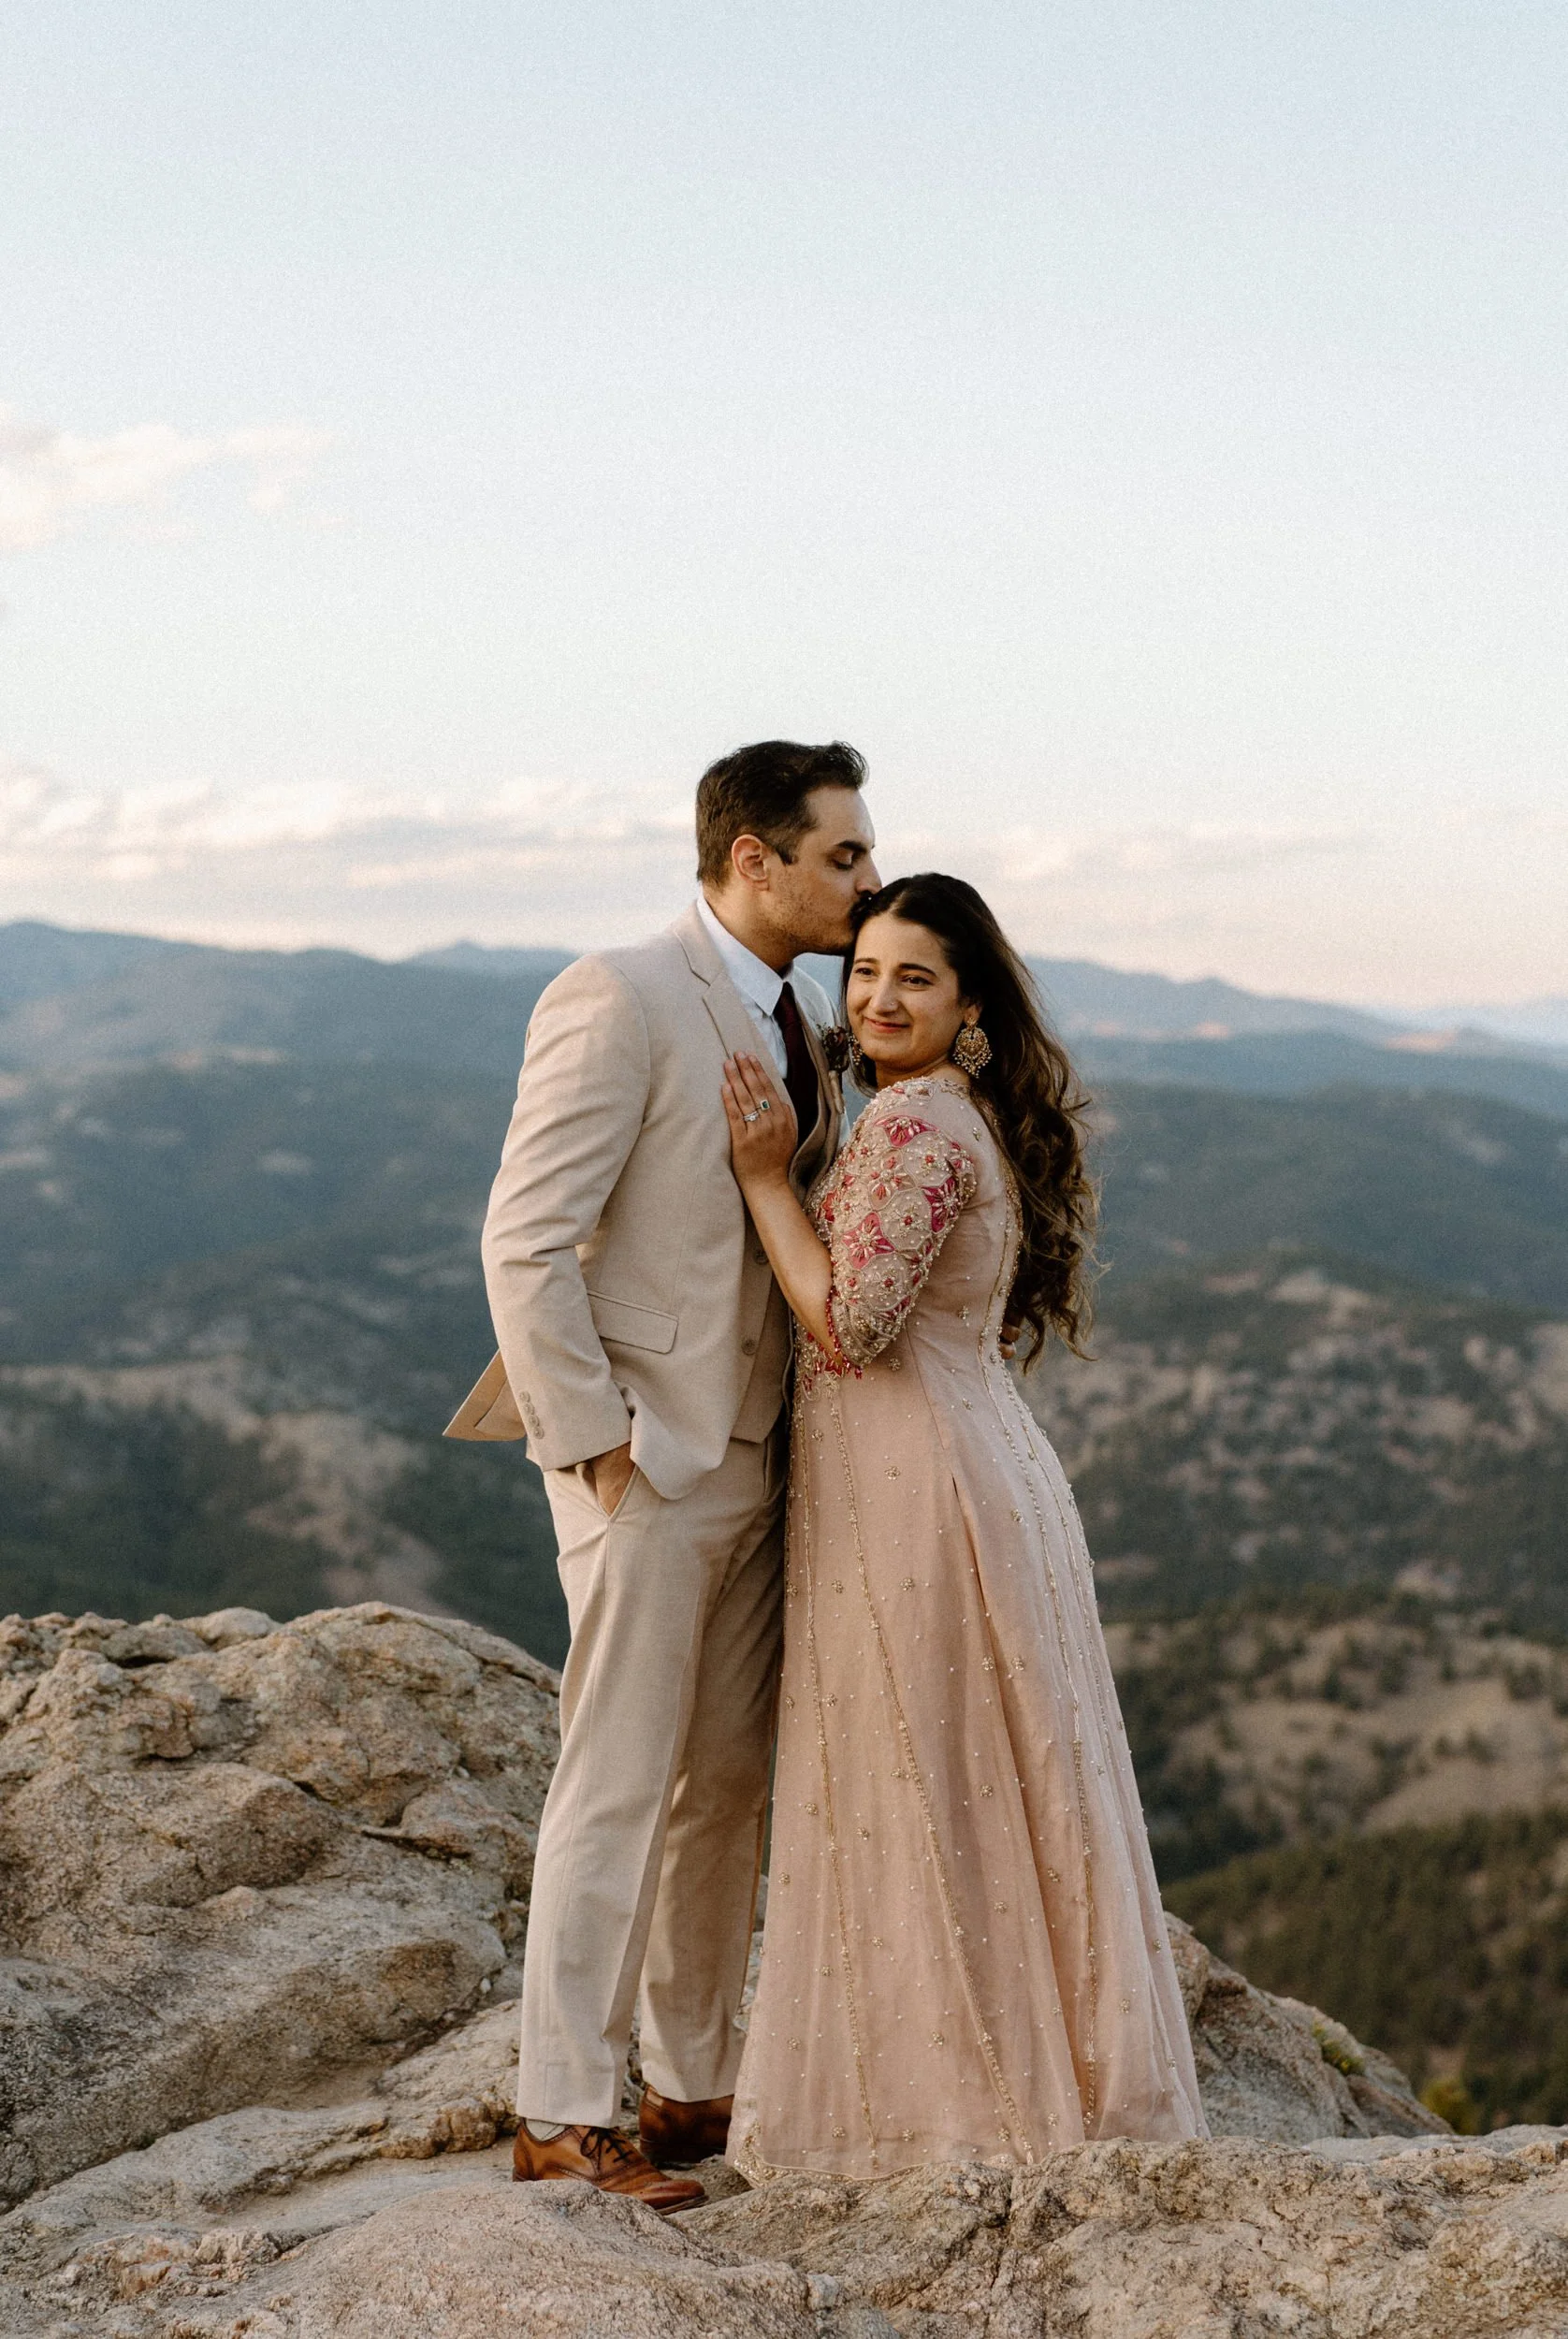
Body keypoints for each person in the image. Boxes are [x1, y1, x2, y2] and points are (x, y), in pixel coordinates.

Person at [445, 740, 879, 2211]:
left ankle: (693, 2089)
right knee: (620, 1783)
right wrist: (598, 1449)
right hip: (649, 1465)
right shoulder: (619, 995)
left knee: (726, 1787)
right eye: (842, 856)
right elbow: (523, 1237)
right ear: (752, 858)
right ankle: (564, 2111)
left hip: (764, 1462)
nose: (867, 881)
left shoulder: (805, 1015)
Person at [719, 872, 1207, 2176]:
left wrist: (766, 1179)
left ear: (969, 1002)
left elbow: (850, 1324)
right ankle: (1017, 2076)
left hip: (917, 1494)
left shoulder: (916, 1132)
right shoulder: (944, 1114)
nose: (877, 997)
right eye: (863, 971)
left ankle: (948, 2108)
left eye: (914, 978)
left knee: (928, 1778)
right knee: (984, 1777)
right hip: (966, 1468)